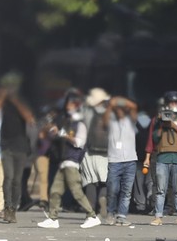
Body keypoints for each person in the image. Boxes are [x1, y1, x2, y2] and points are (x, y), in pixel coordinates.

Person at [38, 91, 99, 228]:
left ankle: (92, 215)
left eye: (71, 105)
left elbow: (79, 143)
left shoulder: (81, 125)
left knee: (76, 191)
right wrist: (55, 132)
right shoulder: (68, 124)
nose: (68, 107)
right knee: (55, 190)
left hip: (72, 163)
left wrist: (63, 135)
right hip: (64, 162)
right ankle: (53, 218)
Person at [143, 90, 177, 225]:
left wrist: (173, 125)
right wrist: (161, 125)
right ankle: (158, 216)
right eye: (171, 102)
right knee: (160, 190)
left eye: (175, 102)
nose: (173, 105)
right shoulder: (158, 119)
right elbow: (154, 138)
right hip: (162, 158)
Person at [0, 75, 35, 224]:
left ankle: (13, 208)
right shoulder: (3, 102)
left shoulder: (22, 102)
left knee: (17, 181)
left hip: (20, 146)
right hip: (6, 145)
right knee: (9, 177)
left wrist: (15, 100)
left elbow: (29, 118)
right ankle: (7, 208)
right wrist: (2, 96)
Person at [104, 94, 140, 225]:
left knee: (126, 191)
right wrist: (111, 105)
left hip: (130, 160)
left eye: (122, 108)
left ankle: (122, 216)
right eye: (117, 108)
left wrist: (119, 101)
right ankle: (110, 212)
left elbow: (134, 106)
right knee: (113, 189)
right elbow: (106, 115)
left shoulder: (131, 121)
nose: (120, 110)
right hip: (114, 160)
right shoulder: (111, 121)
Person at [80, 88, 112, 219]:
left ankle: (90, 212)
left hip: (89, 151)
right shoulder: (110, 113)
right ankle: (103, 198)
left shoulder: (86, 112)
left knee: (90, 182)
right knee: (104, 180)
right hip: (106, 152)